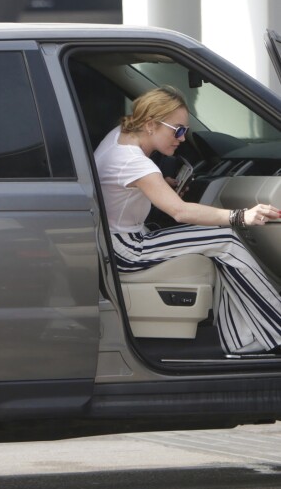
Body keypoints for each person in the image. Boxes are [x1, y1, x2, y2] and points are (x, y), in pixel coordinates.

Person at [94, 85, 281, 356]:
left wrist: (161, 184)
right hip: (127, 249)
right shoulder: (133, 162)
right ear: (150, 124)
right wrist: (241, 215)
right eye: (178, 130)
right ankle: (275, 325)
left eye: (185, 131)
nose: (182, 138)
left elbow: (127, 186)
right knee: (227, 239)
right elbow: (180, 212)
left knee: (218, 244)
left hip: (114, 241)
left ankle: (242, 338)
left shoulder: (119, 137)